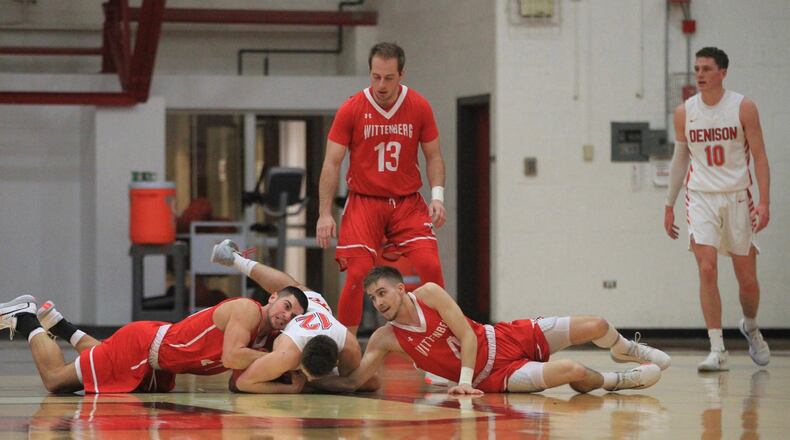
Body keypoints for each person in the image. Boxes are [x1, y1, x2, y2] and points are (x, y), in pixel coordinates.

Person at [312, 266, 671, 395]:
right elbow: (354, 382)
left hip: (502, 337)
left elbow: (468, 335)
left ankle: (626, 348)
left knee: (598, 324)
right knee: (573, 371)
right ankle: (617, 381)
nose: (378, 302)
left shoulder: (430, 294)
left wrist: (461, 380)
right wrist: (308, 382)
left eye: (383, 293)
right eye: (373, 298)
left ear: (401, 289)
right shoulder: (385, 338)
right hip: (494, 375)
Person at [316, 42, 447, 335]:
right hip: (365, 200)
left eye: (388, 77)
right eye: (376, 77)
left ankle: (440, 339)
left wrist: (437, 196)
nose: (381, 85)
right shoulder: (352, 109)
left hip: (406, 201)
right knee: (358, 274)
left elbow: (434, 156)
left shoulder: (419, 106)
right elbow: (331, 163)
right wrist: (324, 214)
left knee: (430, 266)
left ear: (401, 74)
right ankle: (346, 347)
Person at [664, 47, 771, 371]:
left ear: (722, 72)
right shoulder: (685, 112)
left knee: (746, 279)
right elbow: (680, 158)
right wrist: (669, 204)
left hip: (737, 195)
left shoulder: (743, 107)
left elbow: (761, 156)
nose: (699, 74)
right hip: (700, 196)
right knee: (707, 268)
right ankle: (717, 349)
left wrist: (764, 201)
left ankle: (750, 326)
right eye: (697, 68)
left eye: (707, 68)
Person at [0, 285, 307, 394]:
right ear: (273, 297)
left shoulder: (267, 342)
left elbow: (237, 383)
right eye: (286, 306)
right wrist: (283, 362)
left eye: (293, 316)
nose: (287, 316)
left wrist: (291, 386)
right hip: (144, 347)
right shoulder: (247, 311)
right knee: (56, 381)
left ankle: (62, 327)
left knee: (105, 360)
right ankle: (27, 317)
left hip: (159, 367)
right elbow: (231, 358)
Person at [209, 239, 379, 394]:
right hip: (311, 308)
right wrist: (295, 386)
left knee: (366, 383)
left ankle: (235, 259)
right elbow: (240, 383)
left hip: (317, 308)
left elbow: (358, 383)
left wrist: (307, 381)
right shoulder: (289, 351)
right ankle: (236, 259)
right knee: (291, 289)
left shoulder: (348, 343)